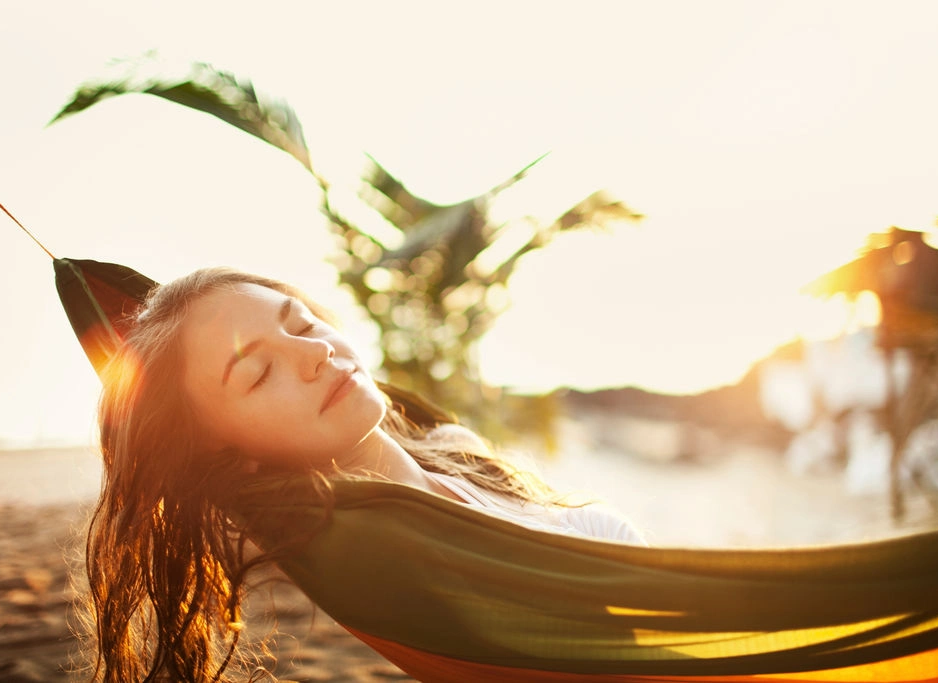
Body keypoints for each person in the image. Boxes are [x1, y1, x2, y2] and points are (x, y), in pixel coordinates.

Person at [84, 266, 643, 682]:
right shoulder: (382, 552)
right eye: (258, 374)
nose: (314, 354)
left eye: (300, 322)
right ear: (230, 454)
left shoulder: (449, 448)